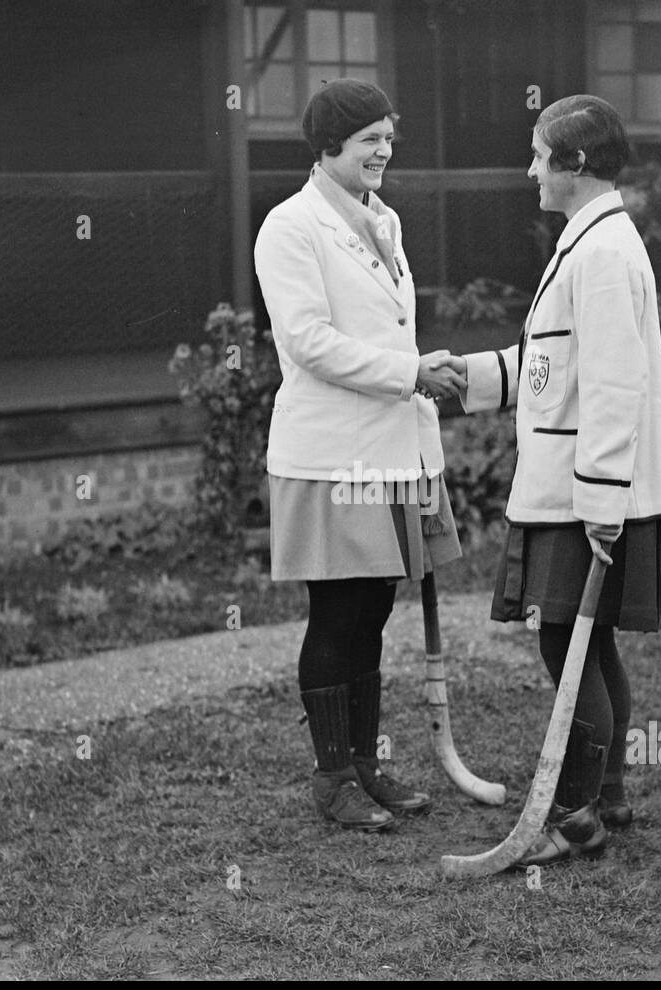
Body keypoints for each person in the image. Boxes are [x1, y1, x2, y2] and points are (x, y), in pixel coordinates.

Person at [448, 95, 661, 866]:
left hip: (586, 496)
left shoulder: (605, 253)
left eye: (540, 155)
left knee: (564, 642)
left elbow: (614, 387)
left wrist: (603, 501)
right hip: (578, 490)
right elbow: (555, 371)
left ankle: (575, 814)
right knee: (592, 643)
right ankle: (602, 794)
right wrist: (470, 378)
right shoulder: (589, 242)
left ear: (574, 164)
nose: (531, 169)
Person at [254, 79, 468, 832]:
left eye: (388, 135)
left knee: (375, 605)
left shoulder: (384, 221)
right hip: (332, 454)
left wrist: (415, 367)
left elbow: (384, 332)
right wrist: (409, 371)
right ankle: (331, 778)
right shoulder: (290, 227)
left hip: (391, 446)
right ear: (327, 146)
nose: (385, 150)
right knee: (338, 611)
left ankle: (366, 764)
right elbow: (309, 343)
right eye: (369, 138)